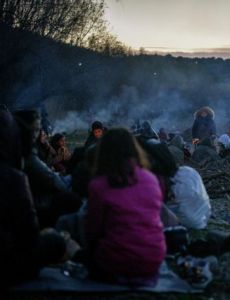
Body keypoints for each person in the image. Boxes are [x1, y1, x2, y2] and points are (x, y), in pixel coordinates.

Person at [86, 128, 166, 283]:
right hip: (153, 258)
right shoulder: (151, 179)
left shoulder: (99, 184)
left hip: (115, 262)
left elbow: (93, 230)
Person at [0, 109, 66, 290]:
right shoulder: (13, 176)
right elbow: (28, 234)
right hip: (7, 265)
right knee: (56, 241)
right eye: (36, 130)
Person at [13, 110, 81, 228]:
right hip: (39, 203)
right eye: (35, 130)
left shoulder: (35, 149)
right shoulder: (27, 154)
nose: (39, 133)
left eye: (39, 130)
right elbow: (53, 178)